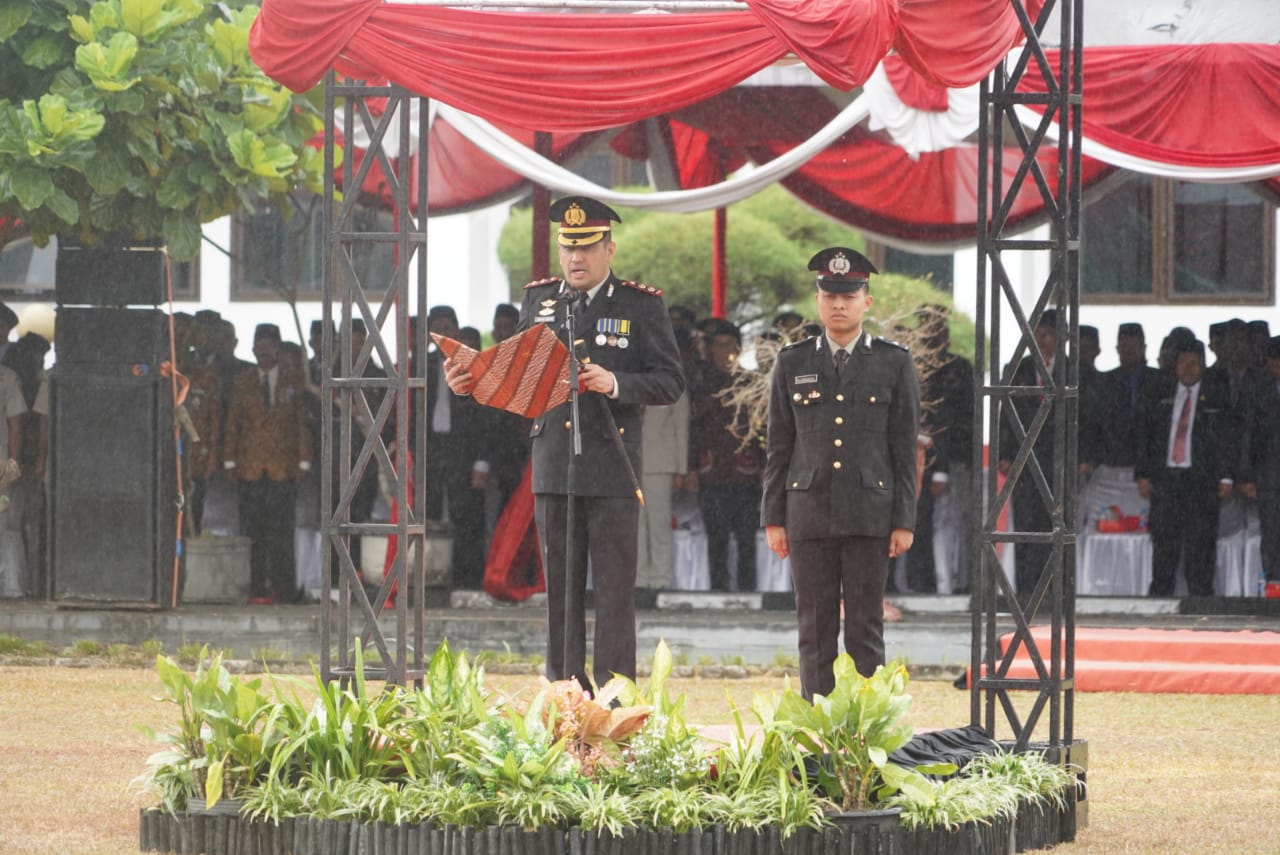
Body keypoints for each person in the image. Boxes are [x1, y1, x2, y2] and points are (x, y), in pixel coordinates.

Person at [444, 195, 684, 690]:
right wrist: (472, 383)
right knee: (561, 594)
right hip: (554, 461)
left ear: (609, 249)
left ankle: (616, 698)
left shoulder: (640, 305)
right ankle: (565, 693)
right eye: (567, 247)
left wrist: (614, 382)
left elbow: (669, 381)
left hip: (614, 465)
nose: (576, 258)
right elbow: (519, 377)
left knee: (615, 594)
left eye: (588, 248)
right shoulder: (540, 300)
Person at [761, 247, 920, 700]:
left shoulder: (893, 362)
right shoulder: (792, 362)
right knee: (814, 629)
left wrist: (903, 520)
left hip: (871, 513)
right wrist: (774, 518)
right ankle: (817, 724)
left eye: (849, 295)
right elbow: (779, 447)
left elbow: (903, 449)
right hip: (807, 512)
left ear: (866, 301)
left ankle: (864, 730)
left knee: (865, 629)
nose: (838, 304)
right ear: (818, 300)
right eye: (830, 294)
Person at [1134, 337, 1236, 597]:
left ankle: (1201, 604)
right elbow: (1145, 435)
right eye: (1183, 363)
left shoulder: (1217, 398)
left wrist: (1226, 476)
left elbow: (1227, 439)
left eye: (1194, 363)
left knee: (1200, 549)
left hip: (1201, 483)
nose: (1188, 369)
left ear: (1203, 365)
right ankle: (1159, 602)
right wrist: (1143, 474)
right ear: (1175, 365)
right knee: (1164, 548)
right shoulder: (1159, 394)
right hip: (1166, 482)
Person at [222, 324, 313, 603]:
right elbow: (233, 422)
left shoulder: (293, 380)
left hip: (283, 467)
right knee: (253, 530)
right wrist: (229, 461)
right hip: (249, 466)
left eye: (268, 347)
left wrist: (304, 461)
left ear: (278, 348)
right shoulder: (243, 380)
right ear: (252, 349)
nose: (262, 352)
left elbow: (302, 425)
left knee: (282, 532)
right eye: (258, 347)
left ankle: (284, 588)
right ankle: (257, 587)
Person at [688, 319, 763, 591]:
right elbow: (692, 428)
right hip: (711, 468)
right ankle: (718, 588)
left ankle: (747, 588)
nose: (724, 352)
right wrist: (691, 468)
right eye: (718, 346)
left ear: (739, 348)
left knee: (746, 535)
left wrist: (765, 465)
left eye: (729, 345)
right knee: (716, 535)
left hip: (744, 469)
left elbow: (762, 427)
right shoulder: (699, 381)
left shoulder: (750, 382)